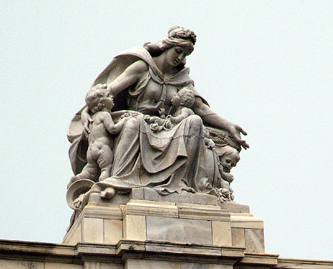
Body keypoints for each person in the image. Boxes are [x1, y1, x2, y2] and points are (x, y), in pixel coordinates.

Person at [68, 26, 248, 197]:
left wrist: (228, 125)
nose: (180, 57)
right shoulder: (142, 67)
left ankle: (183, 184)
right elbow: (109, 92)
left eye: (185, 54)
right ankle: (119, 180)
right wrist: (87, 112)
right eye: (178, 51)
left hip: (168, 126)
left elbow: (201, 109)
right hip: (137, 120)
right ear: (167, 46)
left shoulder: (182, 80)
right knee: (134, 124)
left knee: (194, 121)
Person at [69, 84, 124, 184]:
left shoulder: (91, 119)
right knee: (106, 169)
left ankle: (78, 178)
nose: (111, 97)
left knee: (90, 170)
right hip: (102, 148)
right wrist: (123, 121)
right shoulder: (105, 115)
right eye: (108, 96)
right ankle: (104, 184)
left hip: (90, 151)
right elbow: (113, 129)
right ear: (102, 103)